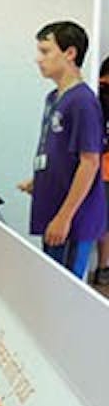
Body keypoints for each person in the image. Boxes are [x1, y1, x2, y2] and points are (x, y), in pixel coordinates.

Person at [16, 21, 106, 279]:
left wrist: (64, 217)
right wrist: (39, 180)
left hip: (72, 219)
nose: (38, 59)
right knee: (49, 285)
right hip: (53, 207)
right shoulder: (54, 98)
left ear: (70, 53)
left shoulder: (82, 102)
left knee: (65, 293)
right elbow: (61, 154)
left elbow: (90, 163)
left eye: (45, 51)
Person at [92, 55, 109, 286]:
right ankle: (103, 267)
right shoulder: (99, 95)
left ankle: (104, 267)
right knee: (104, 221)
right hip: (102, 167)